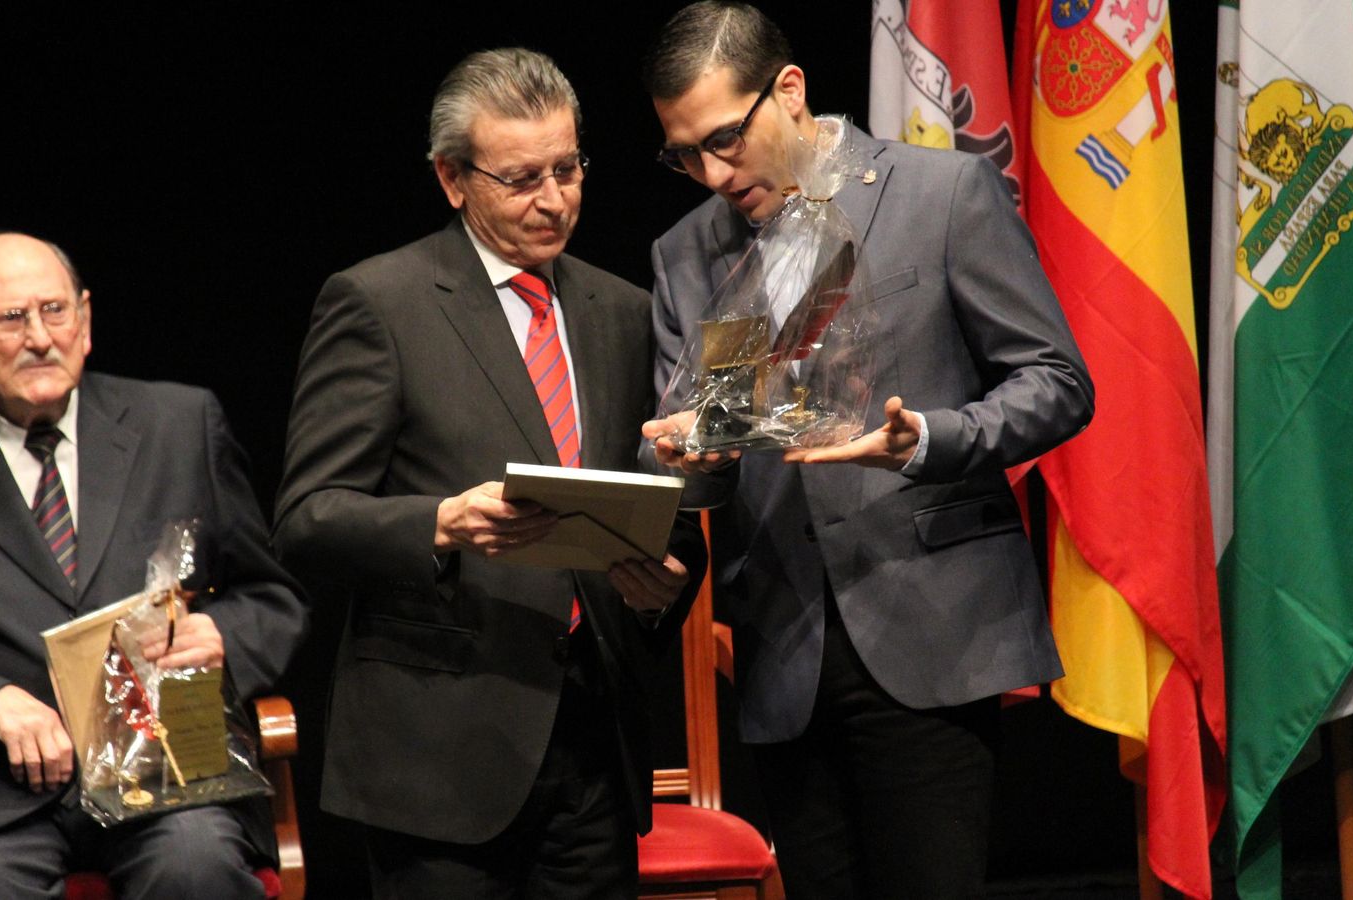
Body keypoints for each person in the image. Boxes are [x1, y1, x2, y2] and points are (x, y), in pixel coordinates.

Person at [640, 3, 1095, 898]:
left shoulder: (941, 194)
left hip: (929, 629)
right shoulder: (683, 255)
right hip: (785, 652)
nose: (714, 174)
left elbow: (1058, 382)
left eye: (726, 139)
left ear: (790, 90)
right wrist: (692, 462)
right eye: (685, 155)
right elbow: (690, 461)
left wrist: (928, 438)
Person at [273, 47, 705, 900]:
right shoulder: (379, 302)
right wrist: (440, 522)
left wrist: (666, 583)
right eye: (520, 179)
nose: (554, 199)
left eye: (567, 169)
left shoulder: (623, 311)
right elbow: (306, 518)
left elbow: (660, 495)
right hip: (440, 755)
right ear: (452, 179)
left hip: (593, 746)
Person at [0, 232, 307, 900]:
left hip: (166, 774)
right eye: (12, 318)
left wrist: (223, 636)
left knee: (196, 867)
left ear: (86, 319)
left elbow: (272, 598)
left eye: (55, 311)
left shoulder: (181, 424)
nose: (41, 338)